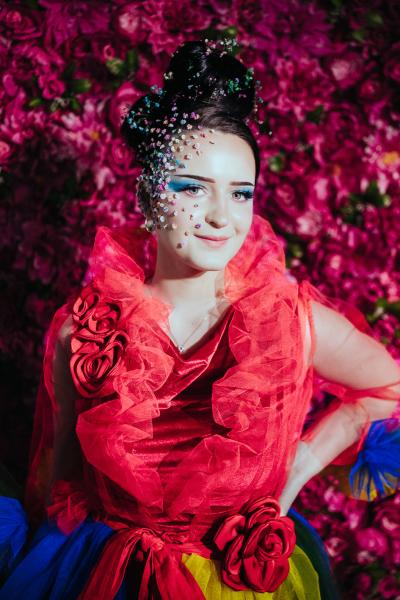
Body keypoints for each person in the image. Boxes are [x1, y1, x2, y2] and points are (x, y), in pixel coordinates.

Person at [1, 39, 400, 600]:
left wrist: (296, 470)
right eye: (192, 188)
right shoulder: (85, 331)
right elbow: (58, 480)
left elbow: (389, 387)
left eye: (241, 193)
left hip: (240, 580)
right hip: (106, 573)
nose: (220, 217)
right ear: (148, 196)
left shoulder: (290, 324)